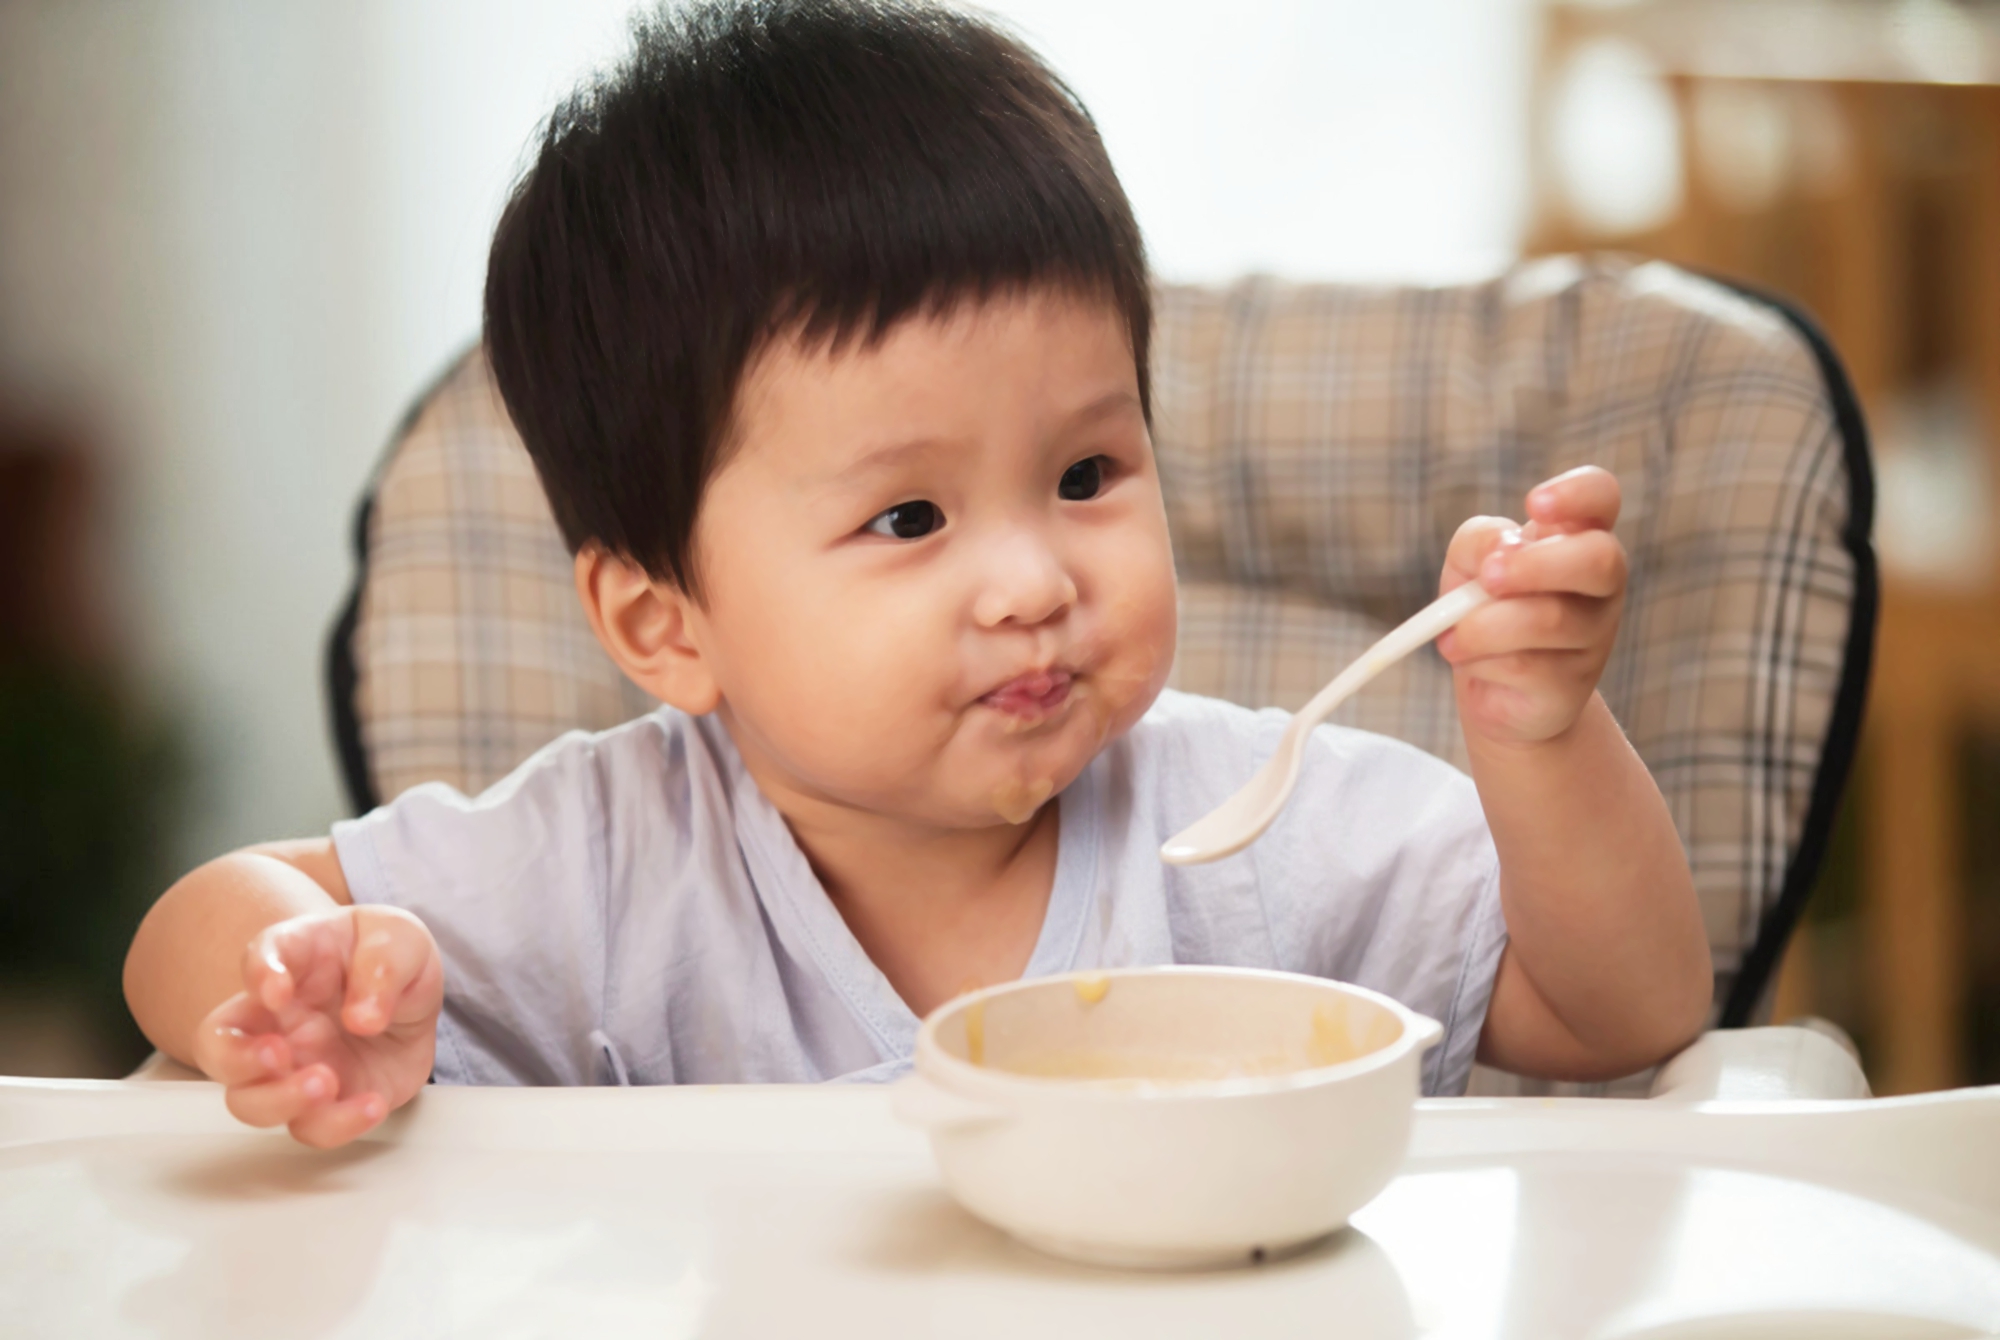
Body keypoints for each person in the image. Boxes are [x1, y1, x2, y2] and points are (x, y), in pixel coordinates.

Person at [122, 0, 1710, 1148]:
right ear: (662, 626)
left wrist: (1541, 738)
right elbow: (199, 919)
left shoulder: (1268, 837)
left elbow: (1617, 1017)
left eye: (1087, 476)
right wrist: (303, 986)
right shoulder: (604, 868)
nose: (1030, 579)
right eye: (909, 520)